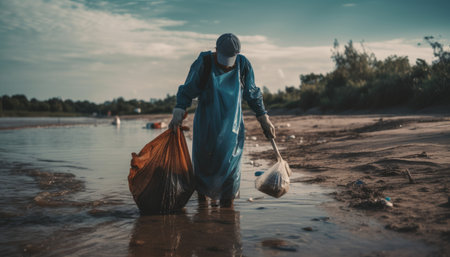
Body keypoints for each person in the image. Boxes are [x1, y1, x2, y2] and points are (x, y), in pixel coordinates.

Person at [169, 33, 275, 207]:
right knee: (204, 168)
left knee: (230, 173)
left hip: (231, 129)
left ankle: (227, 216)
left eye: (230, 60)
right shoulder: (205, 62)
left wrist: (264, 118)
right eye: (223, 58)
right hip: (206, 127)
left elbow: (252, 94)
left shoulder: (242, 64)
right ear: (216, 50)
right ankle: (203, 213)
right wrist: (179, 109)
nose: (226, 65)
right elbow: (188, 88)